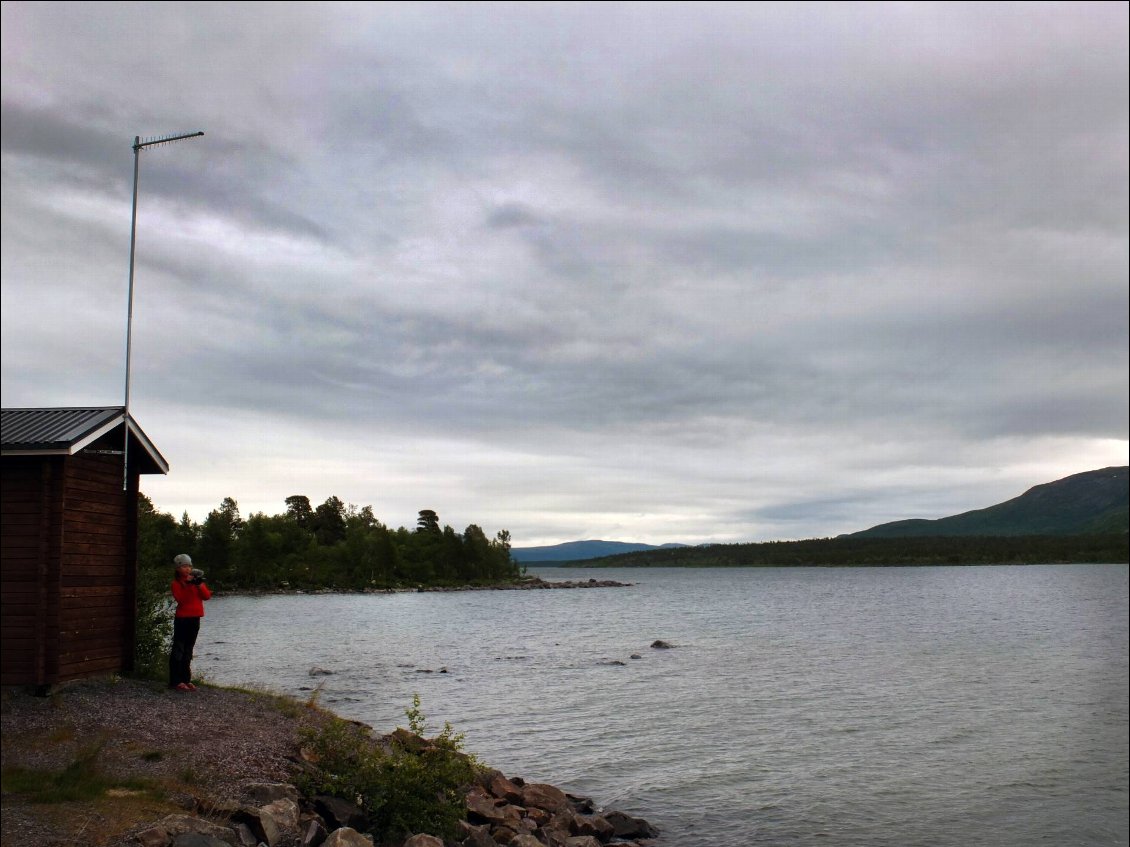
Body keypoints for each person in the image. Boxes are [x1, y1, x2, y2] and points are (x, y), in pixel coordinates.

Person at [169, 553, 211, 691]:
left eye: (189, 566)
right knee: (179, 649)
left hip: (195, 618)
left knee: (188, 650)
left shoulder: (196, 580)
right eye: (184, 566)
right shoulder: (176, 584)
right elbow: (181, 599)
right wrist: (188, 585)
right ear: (178, 568)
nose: (187, 569)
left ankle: (186, 680)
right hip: (182, 619)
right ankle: (175, 681)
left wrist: (198, 585)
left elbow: (206, 596)